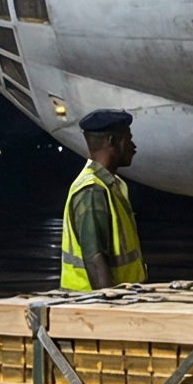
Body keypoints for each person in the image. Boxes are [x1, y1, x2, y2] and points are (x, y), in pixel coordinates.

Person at [59, 109, 145, 290]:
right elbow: (95, 260)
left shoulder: (111, 185)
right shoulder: (92, 190)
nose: (134, 146)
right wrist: (109, 309)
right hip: (89, 307)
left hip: (122, 300)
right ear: (112, 141)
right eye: (128, 139)